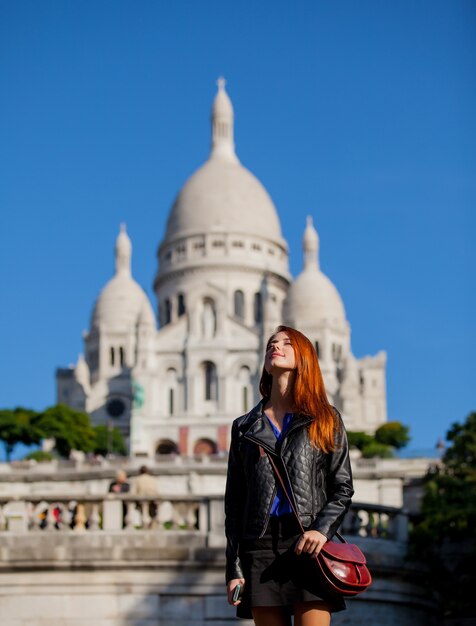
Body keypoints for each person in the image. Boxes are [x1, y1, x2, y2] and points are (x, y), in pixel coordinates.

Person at [224, 326, 354, 626]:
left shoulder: (325, 418)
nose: (276, 347)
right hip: (258, 544)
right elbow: (235, 503)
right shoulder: (244, 427)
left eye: (286, 343)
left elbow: (342, 486)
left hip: (308, 542)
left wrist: (321, 530)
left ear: (304, 357)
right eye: (272, 343)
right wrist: (234, 568)